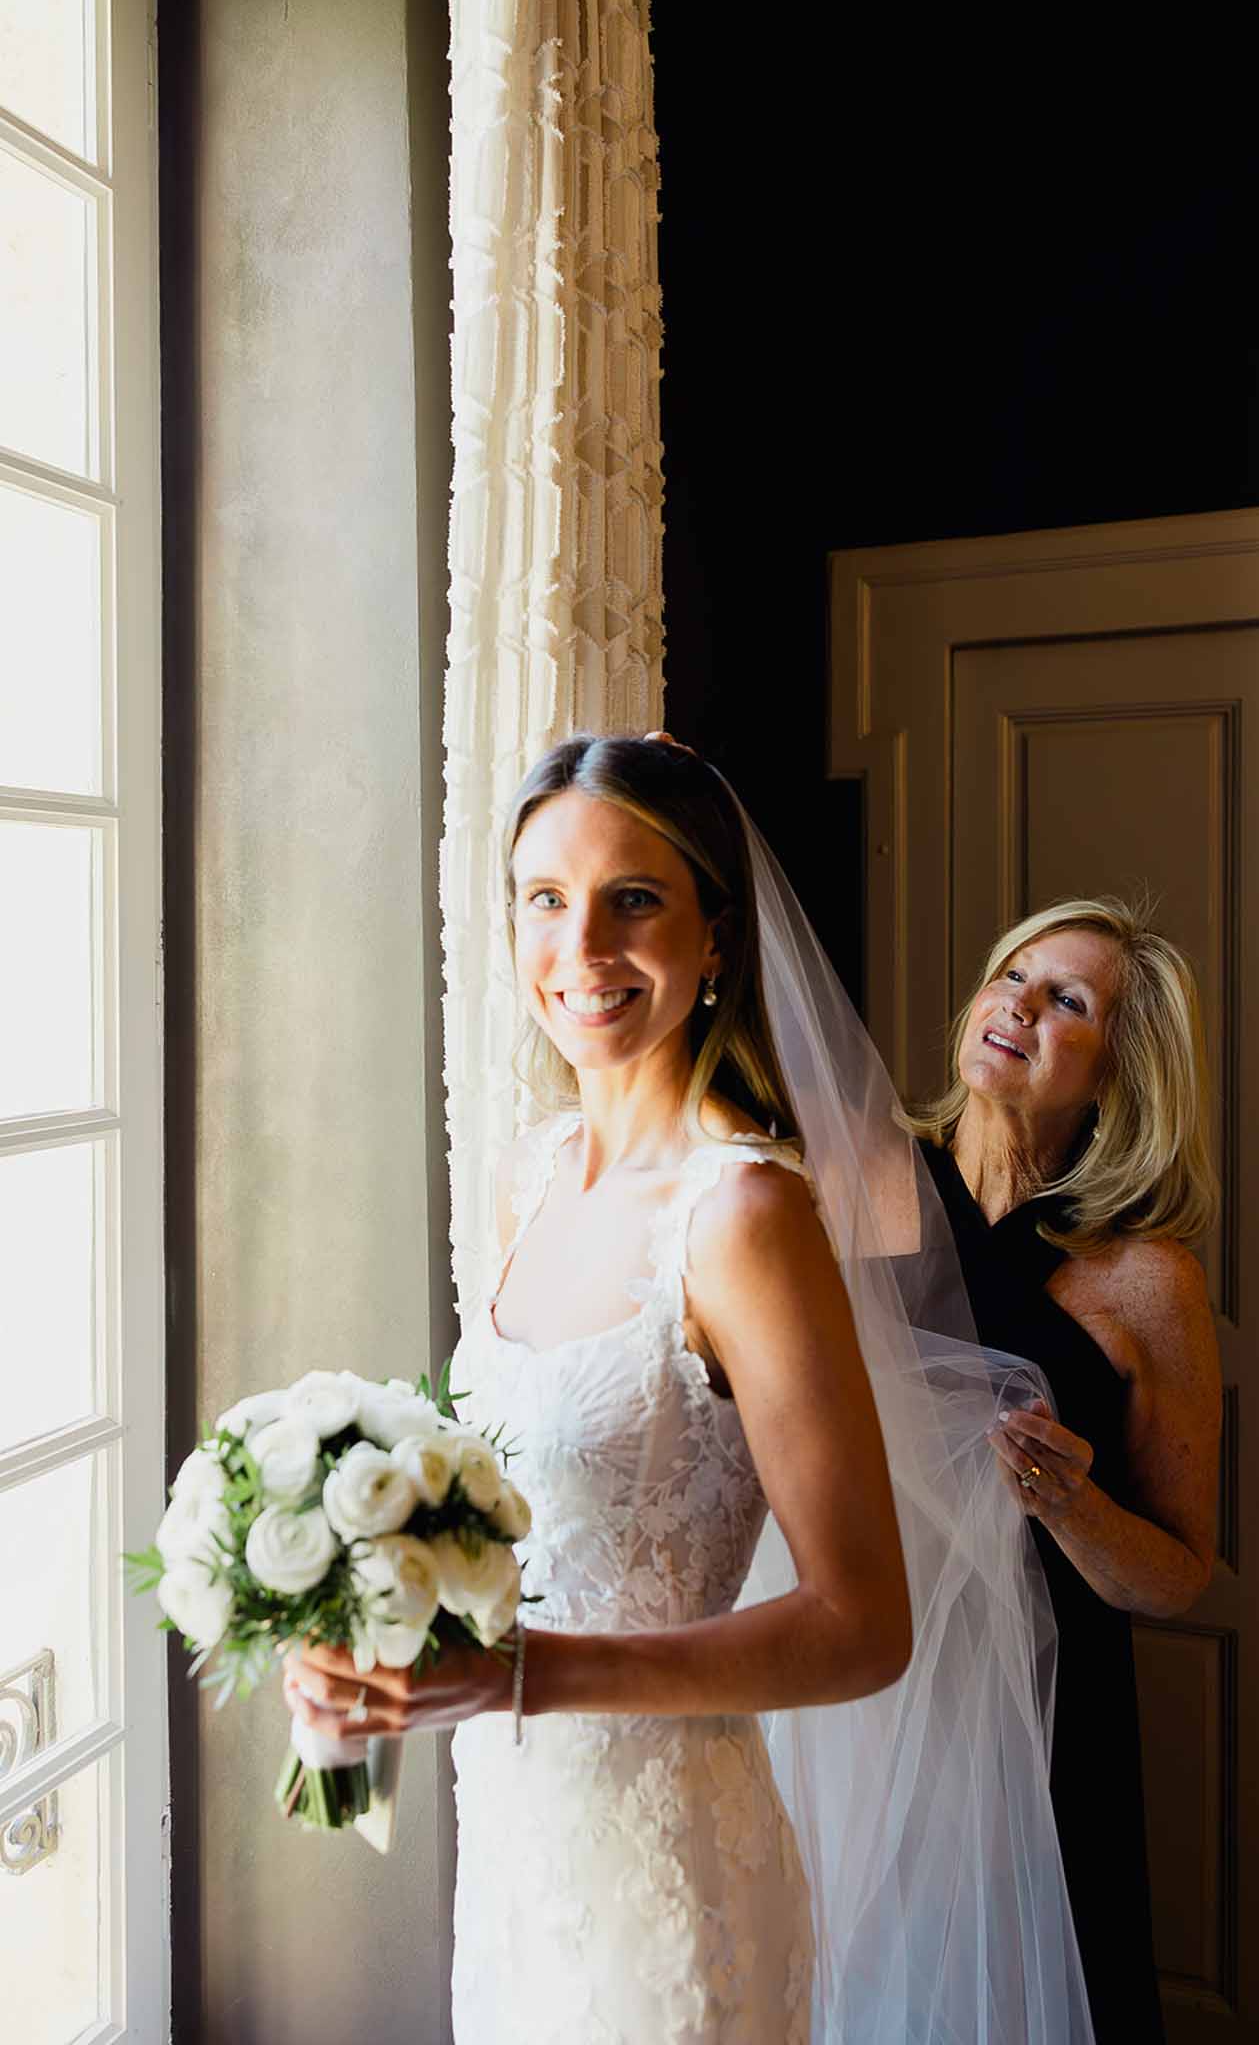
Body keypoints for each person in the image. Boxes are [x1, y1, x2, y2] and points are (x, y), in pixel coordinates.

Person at [284, 733, 1099, 2044]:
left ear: (714, 937)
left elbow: (860, 1625)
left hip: (671, 1875)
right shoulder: (531, 1173)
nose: (582, 946)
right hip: (515, 1839)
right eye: (545, 899)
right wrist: (367, 1629)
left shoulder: (741, 1216)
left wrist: (516, 1679)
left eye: (635, 899)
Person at [905, 901, 1223, 2044]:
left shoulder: (1145, 1281)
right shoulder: (857, 1191)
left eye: (1067, 999)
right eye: (1012, 974)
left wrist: (1070, 1503)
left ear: (1118, 1074)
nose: (1018, 1004)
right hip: (867, 1683)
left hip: (1045, 1726)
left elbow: (1177, 1572)